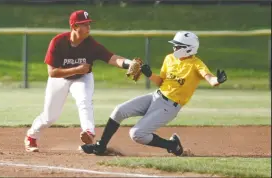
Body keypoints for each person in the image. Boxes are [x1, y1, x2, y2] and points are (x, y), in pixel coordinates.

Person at [80, 31, 228, 156]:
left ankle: (172, 145)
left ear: (188, 48)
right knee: (119, 110)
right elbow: (161, 81)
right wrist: (149, 74)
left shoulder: (196, 64)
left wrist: (218, 80)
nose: (175, 47)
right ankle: (101, 146)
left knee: (137, 134)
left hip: (169, 106)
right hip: (155, 96)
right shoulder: (169, 58)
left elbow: (210, 78)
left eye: (178, 45)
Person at [24, 10, 141, 152]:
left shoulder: (91, 44)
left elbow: (112, 58)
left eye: (88, 24)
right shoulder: (58, 42)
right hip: (59, 78)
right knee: (50, 116)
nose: (88, 27)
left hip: (82, 78)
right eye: (84, 24)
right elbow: (52, 72)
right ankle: (31, 137)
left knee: (84, 101)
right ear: (74, 27)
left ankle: (89, 133)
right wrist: (76, 69)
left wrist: (129, 63)